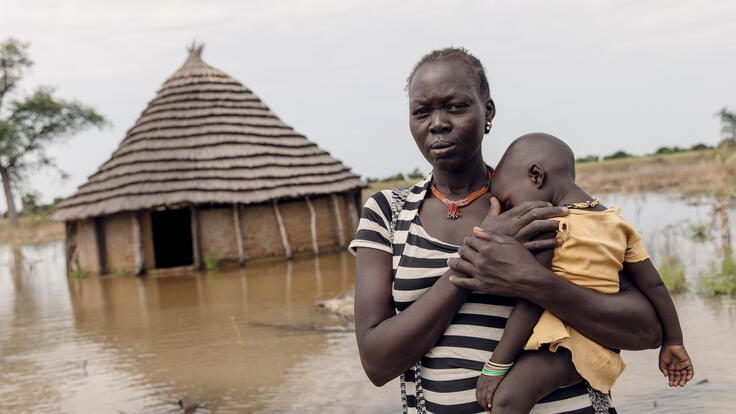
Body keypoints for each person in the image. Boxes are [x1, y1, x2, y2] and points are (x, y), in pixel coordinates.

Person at [350, 47, 662, 414]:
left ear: (488, 112)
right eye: (422, 112)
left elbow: (646, 329)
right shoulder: (387, 213)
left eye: (455, 106)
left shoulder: (536, 202)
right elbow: (377, 363)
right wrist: (474, 259)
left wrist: (534, 281)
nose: (437, 123)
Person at [466, 133, 694, 413]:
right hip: (602, 345)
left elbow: (531, 300)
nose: (511, 215)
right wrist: (674, 341)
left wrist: (495, 366)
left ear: (536, 176)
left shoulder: (550, 227)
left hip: (569, 347)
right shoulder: (615, 221)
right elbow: (655, 285)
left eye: (510, 203)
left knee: (506, 400)